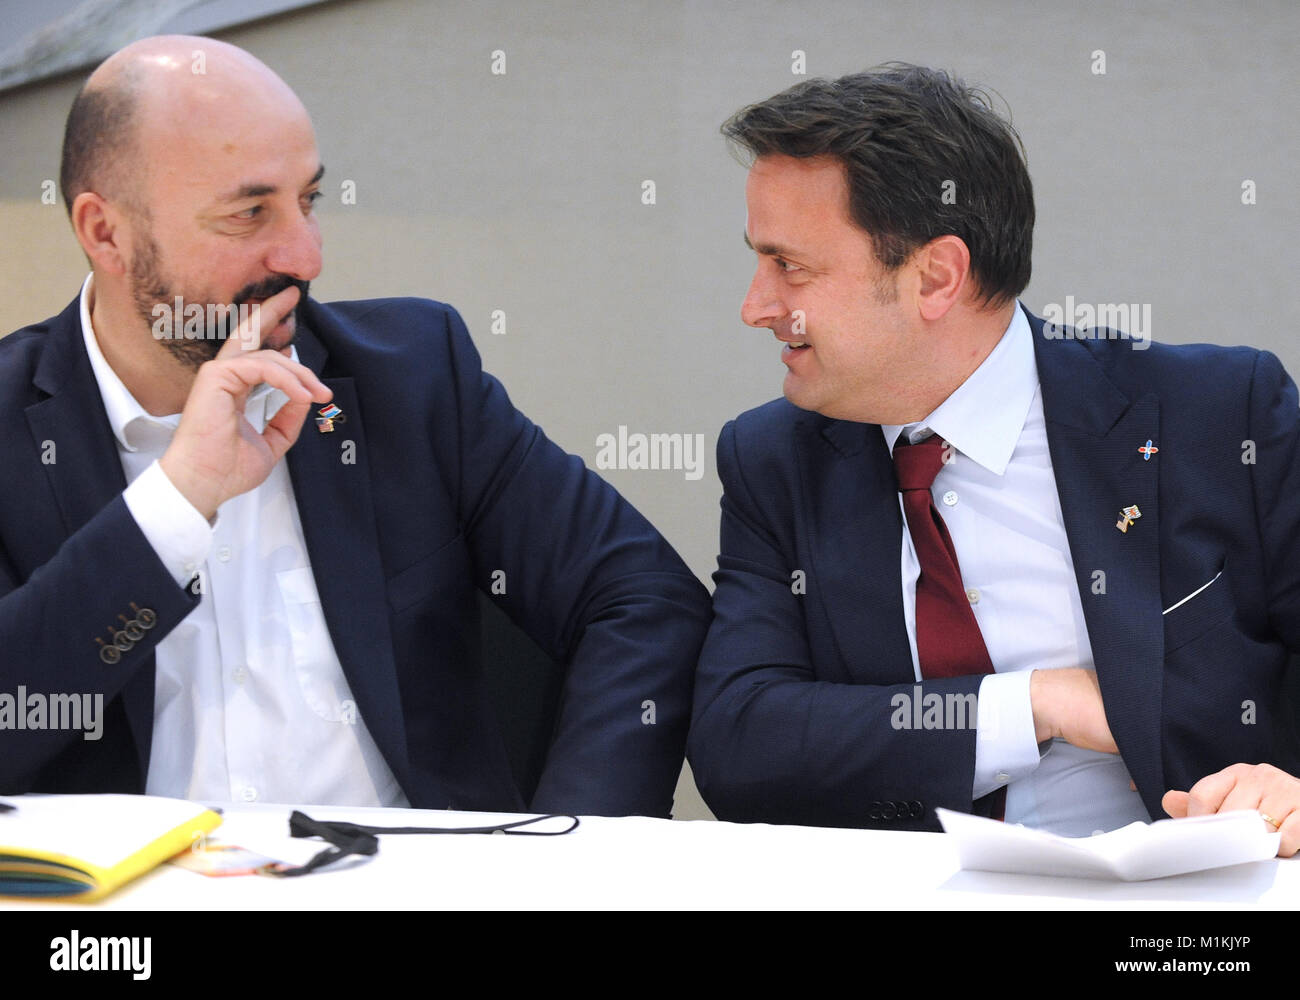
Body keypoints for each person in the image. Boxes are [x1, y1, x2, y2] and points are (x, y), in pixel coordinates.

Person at [0, 35, 709, 818]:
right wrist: (176, 501)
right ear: (107, 235)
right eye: (250, 212)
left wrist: (570, 860)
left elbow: (644, 598)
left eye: (308, 201)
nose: (306, 256)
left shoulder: (411, 377)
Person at [687, 64, 1300, 854]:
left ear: (936, 277)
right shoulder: (775, 458)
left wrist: (1287, 789)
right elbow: (741, 739)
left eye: (790, 266)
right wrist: (1032, 705)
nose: (756, 307)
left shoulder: (1216, 415)